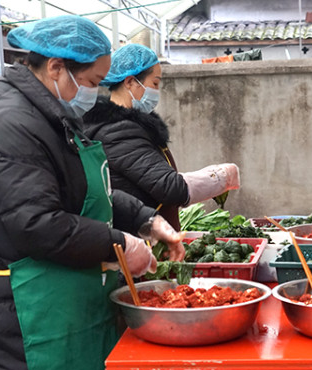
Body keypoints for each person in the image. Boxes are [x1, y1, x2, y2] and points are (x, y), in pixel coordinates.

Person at [0, 15, 184, 370]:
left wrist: (146, 220)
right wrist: (121, 244)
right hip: (22, 307)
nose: (94, 93)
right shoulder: (12, 124)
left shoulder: (53, 114)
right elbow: (37, 224)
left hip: (57, 295)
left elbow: (89, 189)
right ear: (56, 67)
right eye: (90, 82)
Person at [83, 43, 240, 230]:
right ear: (130, 82)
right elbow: (170, 188)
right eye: (155, 83)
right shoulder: (118, 132)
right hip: (141, 237)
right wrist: (220, 177)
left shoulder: (130, 127)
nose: (157, 90)